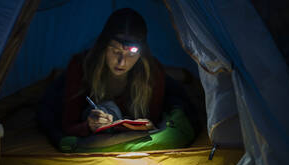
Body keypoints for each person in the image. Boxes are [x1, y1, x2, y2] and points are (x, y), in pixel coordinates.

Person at [38, 8, 196, 148]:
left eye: (131, 54)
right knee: (49, 103)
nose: (122, 62)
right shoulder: (81, 66)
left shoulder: (151, 72)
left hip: (155, 80)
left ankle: (183, 75)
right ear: (103, 47)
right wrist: (89, 126)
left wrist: (147, 126)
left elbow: (153, 119)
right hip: (73, 87)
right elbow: (67, 124)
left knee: (178, 101)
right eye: (115, 51)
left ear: (140, 54)